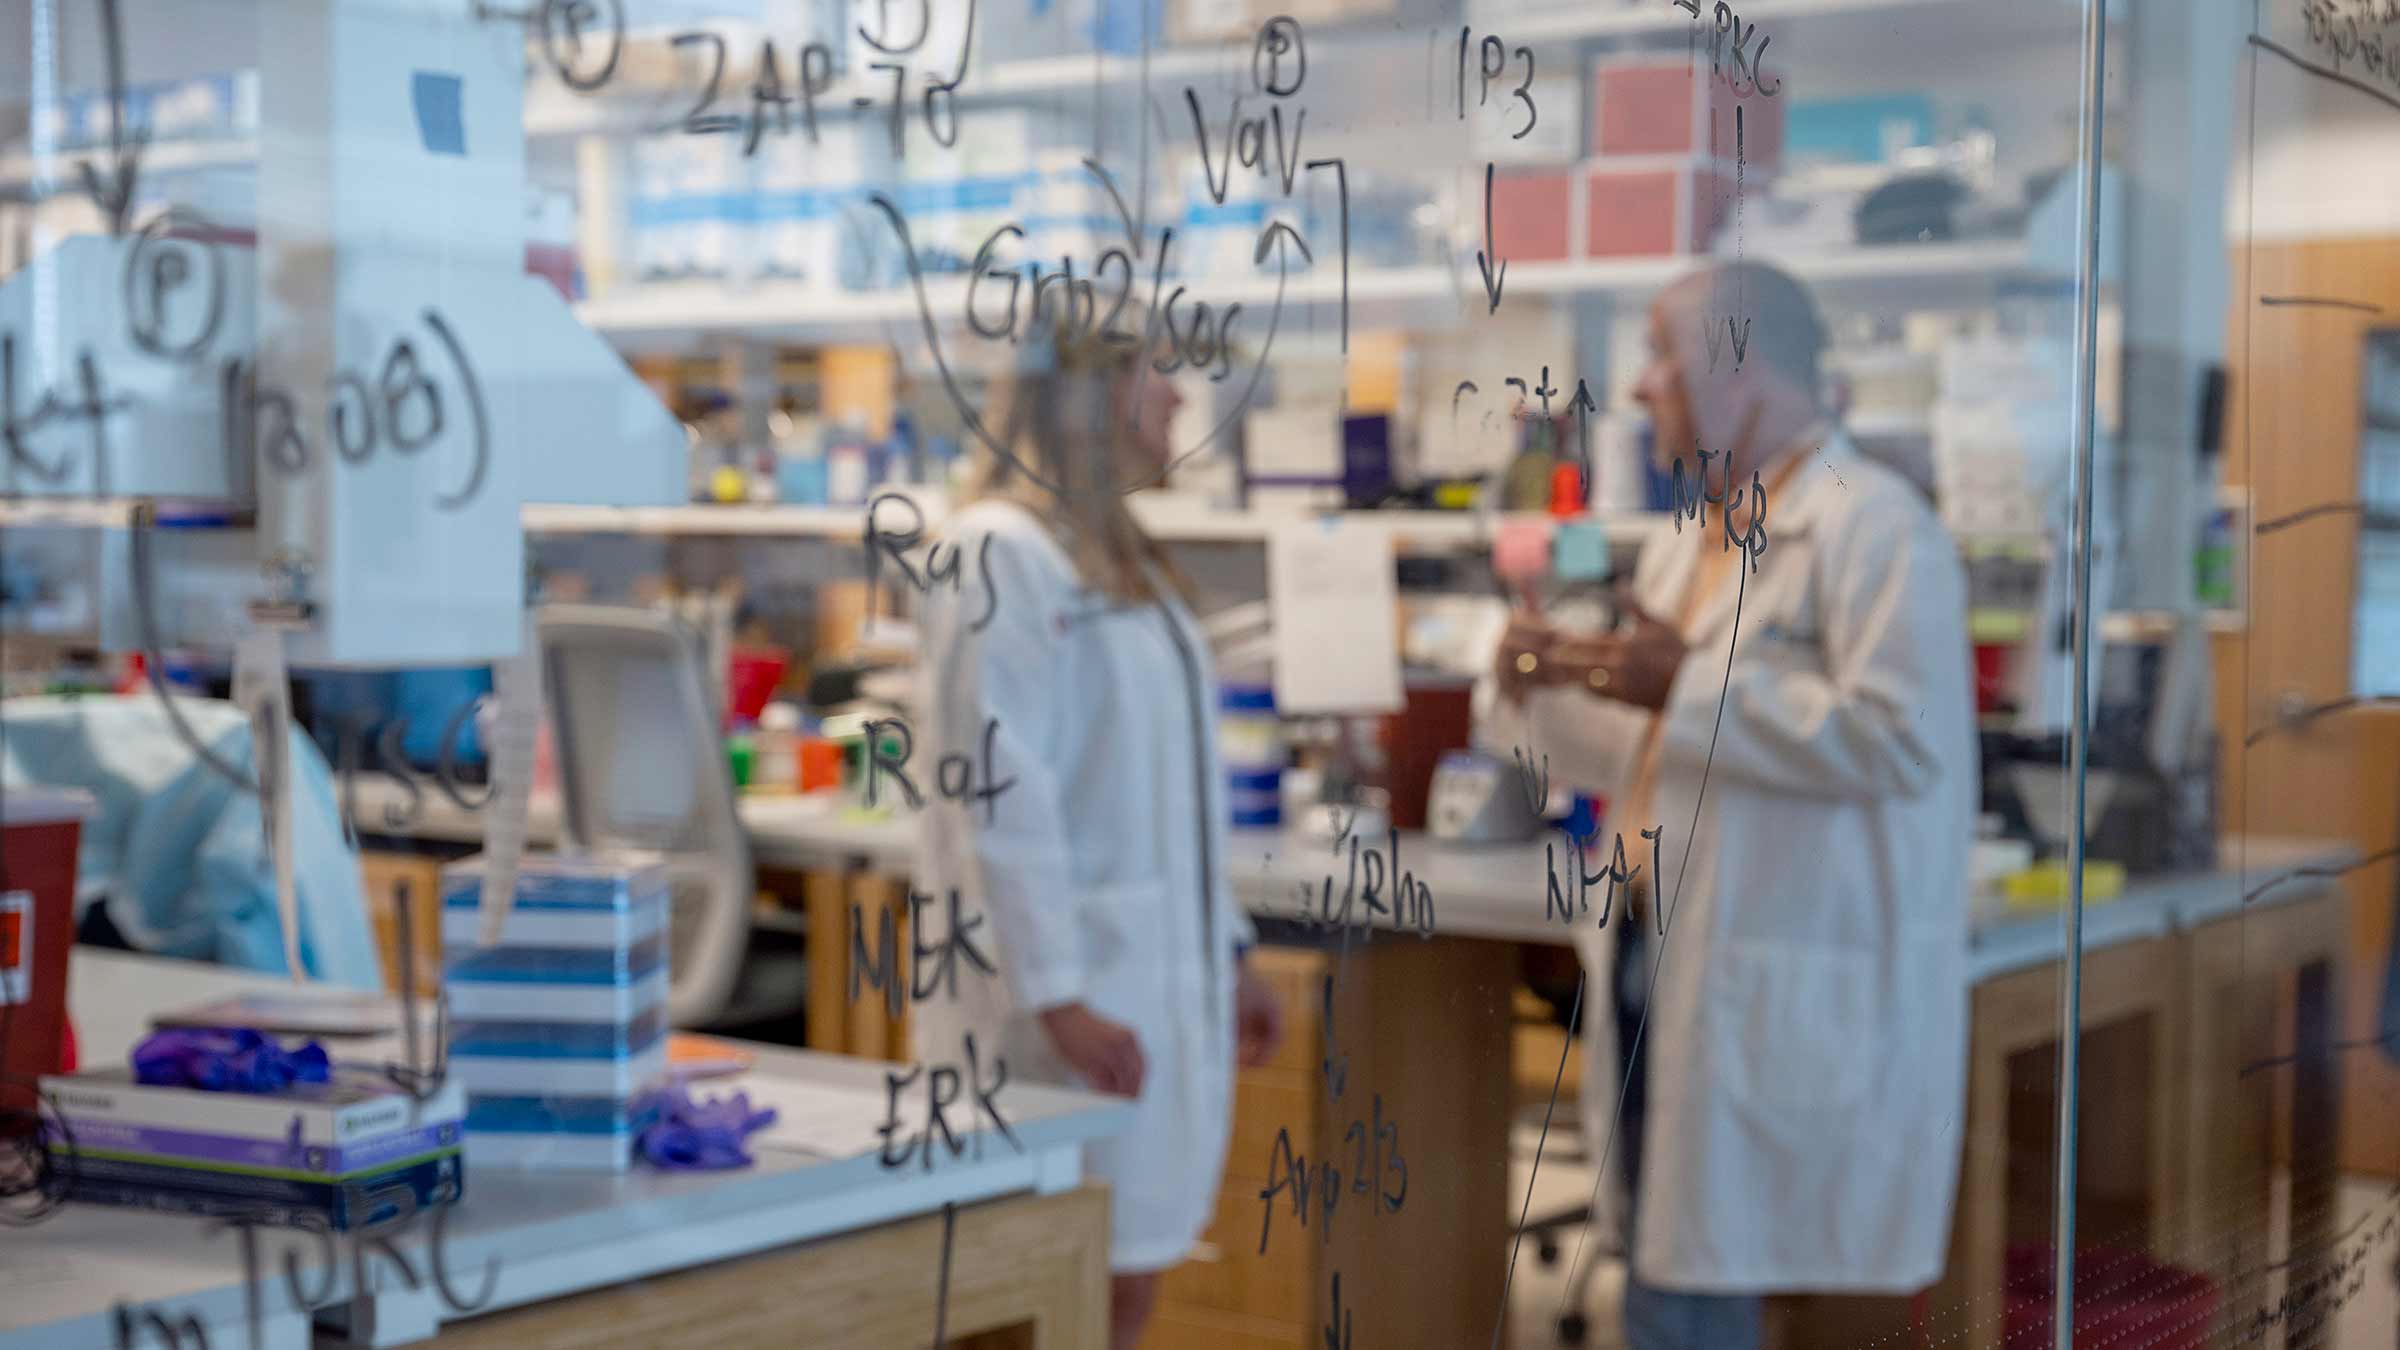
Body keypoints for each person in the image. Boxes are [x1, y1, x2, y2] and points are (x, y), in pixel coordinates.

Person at [1482, 261, 1975, 1349]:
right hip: (1662, 939)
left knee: (1688, 1284)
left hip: (1769, 961)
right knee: (1666, 1260)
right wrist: (1547, 683)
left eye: (1663, 355)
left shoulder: (1878, 529)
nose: (1645, 387)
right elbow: (1659, 741)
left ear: (1740, 366)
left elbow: (1904, 742)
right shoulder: (1691, 538)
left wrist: (1682, 685)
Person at [910, 332, 1286, 1350]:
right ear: (1080, 397)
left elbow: (1171, 792)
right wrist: (1059, 994)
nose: (1173, 395)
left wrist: (1232, 949)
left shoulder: (1119, 555)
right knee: (1036, 1289)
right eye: (1148, 372)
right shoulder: (996, 551)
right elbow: (1001, 791)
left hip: (1150, 978)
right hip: (1061, 1003)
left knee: (1123, 1273)